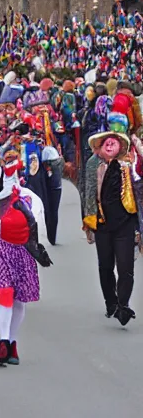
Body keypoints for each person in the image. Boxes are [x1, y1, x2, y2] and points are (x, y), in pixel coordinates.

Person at [0, 182, 52, 366]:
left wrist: (38, 247)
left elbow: (37, 225)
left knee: (19, 300)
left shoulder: (31, 199)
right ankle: (3, 341)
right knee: (5, 293)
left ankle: (12, 343)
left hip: (22, 251)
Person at [84, 130, 140, 326]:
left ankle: (123, 305)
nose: (109, 145)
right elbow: (88, 192)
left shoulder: (129, 167)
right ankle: (111, 302)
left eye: (113, 143)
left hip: (125, 224)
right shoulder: (93, 165)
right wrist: (88, 223)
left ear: (120, 148)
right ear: (100, 148)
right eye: (105, 142)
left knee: (126, 268)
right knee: (105, 266)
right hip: (102, 224)